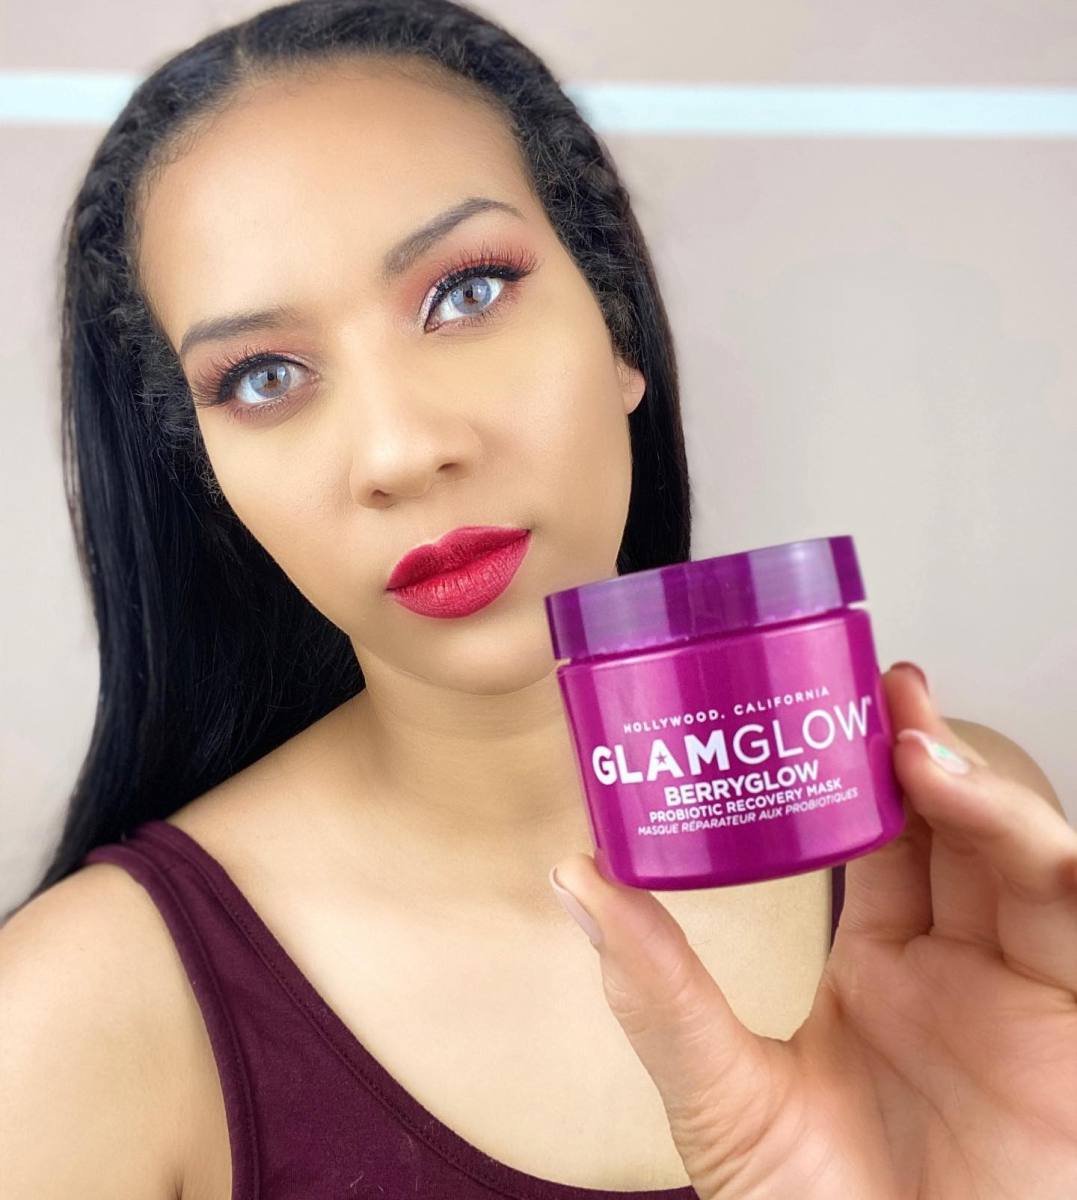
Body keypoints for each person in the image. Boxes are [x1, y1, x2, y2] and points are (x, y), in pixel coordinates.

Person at [2, 1, 1074, 1197]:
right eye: (263, 377)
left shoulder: (945, 850)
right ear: (207, 475)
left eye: (466, 293)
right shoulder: (72, 1021)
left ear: (617, 327)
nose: (403, 450)